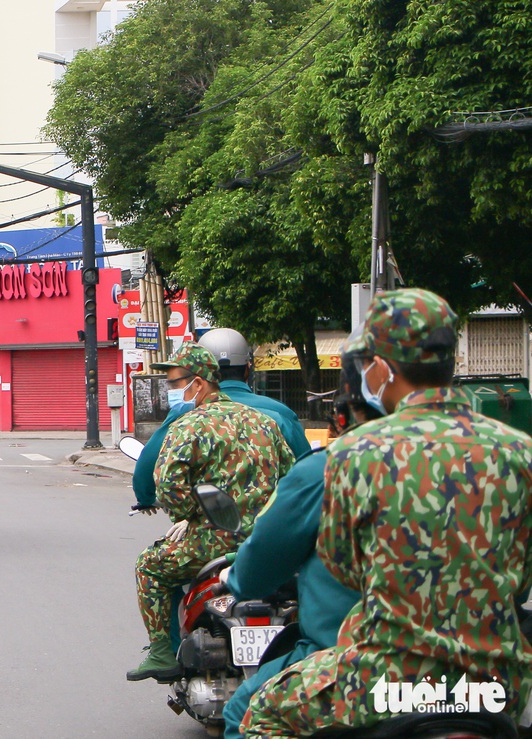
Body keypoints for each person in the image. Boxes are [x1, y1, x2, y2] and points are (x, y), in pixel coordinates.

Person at [241, 288, 532, 736]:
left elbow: (346, 567)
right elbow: (523, 574)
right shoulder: (519, 451)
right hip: (498, 685)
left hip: (387, 681)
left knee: (261, 713)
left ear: (379, 366)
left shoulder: (353, 454)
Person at [217, 329, 380, 739]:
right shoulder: (513, 454)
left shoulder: (330, 470)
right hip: (494, 673)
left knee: (244, 711)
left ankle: (162, 652)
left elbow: (254, 574)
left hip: (359, 669)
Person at [129, 328, 310, 654]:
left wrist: (187, 515)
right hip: (267, 537)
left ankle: (162, 653)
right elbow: (299, 478)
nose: (172, 390)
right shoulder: (270, 418)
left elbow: (163, 482)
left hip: (211, 537)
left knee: (149, 568)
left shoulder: (185, 421)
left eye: (174, 383)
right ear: (247, 368)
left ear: (199, 382)